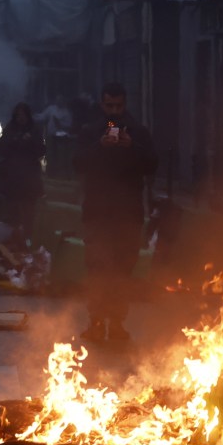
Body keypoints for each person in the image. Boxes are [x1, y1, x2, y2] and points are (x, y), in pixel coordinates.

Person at [73, 82, 158, 343]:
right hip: (98, 214)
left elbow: (152, 165)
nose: (114, 111)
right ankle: (97, 322)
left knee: (122, 272)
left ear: (125, 104)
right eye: (109, 105)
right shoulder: (90, 132)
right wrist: (100, 146)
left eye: (118, 106)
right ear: (102, 104)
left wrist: (131, 146)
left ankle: (117, 323)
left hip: (128, 215)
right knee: (99, 270)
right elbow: (77, 163)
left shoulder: (138, 132)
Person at [0, 102, 45, 239]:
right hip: (12, 180)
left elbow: (41, 150)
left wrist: (29, 142)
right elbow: (0, 147)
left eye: (23, 115)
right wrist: (14, 141)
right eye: (18, 116)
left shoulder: (34, 130)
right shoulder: (10, 129)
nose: (21, 118)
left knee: (28, 214)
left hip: (29, 179)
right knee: (12, 214)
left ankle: (27, 241)